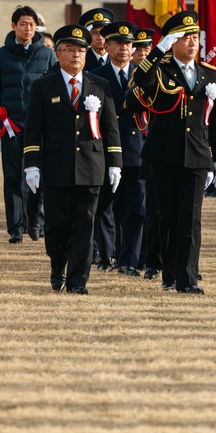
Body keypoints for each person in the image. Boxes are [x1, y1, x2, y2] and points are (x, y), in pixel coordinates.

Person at [128, 10, 216, 294]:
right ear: (173, 42)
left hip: (197, 156)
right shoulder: (158, 69)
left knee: (191, 221)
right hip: (163, 155)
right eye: (185, 38)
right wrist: (157, 51)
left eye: (195, 37)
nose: (192, 43)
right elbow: (139, 85)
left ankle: (188, 280)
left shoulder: (210, 74)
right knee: (167, 217)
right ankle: (169, 275)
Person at [22, 24, 122, 294]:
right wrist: (31, 165)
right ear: (57, 54)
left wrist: (115, 164)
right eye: (70, 50)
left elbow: (111, 129)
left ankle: (78, 281)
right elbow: (33, 130)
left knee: (85, 226)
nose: (76, 55)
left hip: (91, 167)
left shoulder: (100, 86)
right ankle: (58, 267)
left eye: (81, 50)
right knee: (57, 227)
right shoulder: (43, 86)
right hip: (56, 168)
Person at [0, 6, 56, 243]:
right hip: (10, 126)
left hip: (41, 128)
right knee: (12, 177)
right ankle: (15, 227)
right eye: (23, 24)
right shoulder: (0, 56)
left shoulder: (47, 55)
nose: (28, 28)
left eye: (32, 24)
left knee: (40, 176)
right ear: (13, 26)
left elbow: (57, 90)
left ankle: (37, 223)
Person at [92, 21, 147, 276]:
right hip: (104, 151)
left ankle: (129, 261)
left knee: (135, 209)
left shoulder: (143, 75)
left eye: (128, 44)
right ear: (107, 45)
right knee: (104, 207)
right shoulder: (95, 76)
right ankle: (105, 256)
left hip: (135, 151)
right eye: (117, 43)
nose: (123, 48)